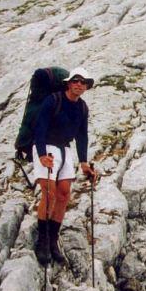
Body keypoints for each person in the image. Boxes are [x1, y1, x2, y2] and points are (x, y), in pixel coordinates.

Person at [33, 67, 97, 265]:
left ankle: (53, 241)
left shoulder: (82, 107)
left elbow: (82, 135)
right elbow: (40, 127)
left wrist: (84, 162)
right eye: (76, 80)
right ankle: (42, 241)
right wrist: (42, 155)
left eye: (83, 82)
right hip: (46, 147)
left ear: (86, 87)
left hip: (65, 150)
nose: (79, 84)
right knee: (49, 193)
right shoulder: (53, 100)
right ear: (69, 83)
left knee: (63, 194)